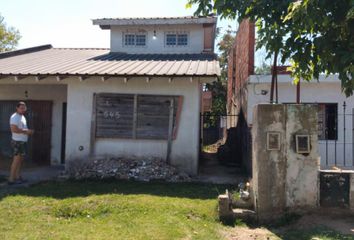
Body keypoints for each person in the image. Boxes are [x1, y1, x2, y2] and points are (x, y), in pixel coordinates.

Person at [8, 102, 34, 185]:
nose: (23, 109)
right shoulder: (14, 117)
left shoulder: (22, 116)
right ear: (17, 108)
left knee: (20, 160)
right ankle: (11, 179)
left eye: (24, 108)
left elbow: (22, 128)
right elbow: (14, 129)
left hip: (22, 141)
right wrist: (26, 131)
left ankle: (17, 177)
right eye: (21, 108)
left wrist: (28, 132)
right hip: (17, 142)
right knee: (16, 160)